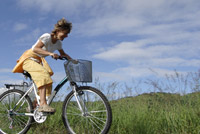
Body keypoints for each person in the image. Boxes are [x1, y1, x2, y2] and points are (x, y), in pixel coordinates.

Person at [12, 18, 73, 113]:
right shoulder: (47, 36)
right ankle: (43, 105)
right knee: (43, 74)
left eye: (67, 34)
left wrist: (73, 60)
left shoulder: (58, 43)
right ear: (58, 31)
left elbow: (63, 54)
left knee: (48, 81)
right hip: (28, 59)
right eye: (65, 33)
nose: (67, 36)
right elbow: (35, 49)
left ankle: (34, 104)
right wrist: (50, 54)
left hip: (37, 61)